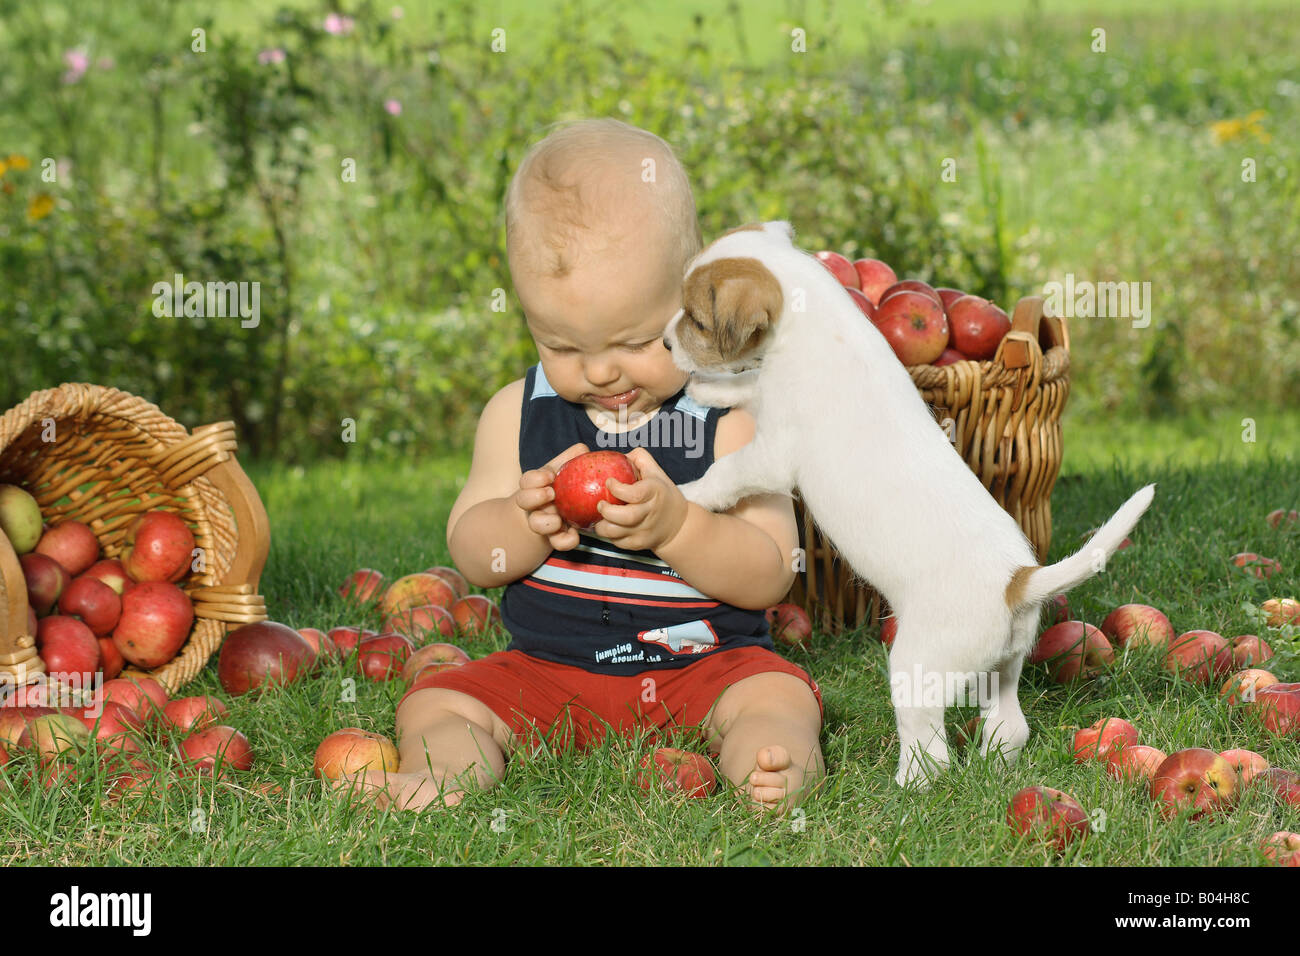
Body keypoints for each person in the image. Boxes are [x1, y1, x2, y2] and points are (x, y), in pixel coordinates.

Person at [343, 118, 823, 813]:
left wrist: (679, 527)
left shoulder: (730, 416)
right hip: (549, 673)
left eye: (633, 340)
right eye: (561, 345)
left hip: (702, 668)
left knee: (775, 696)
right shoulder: (516, 413)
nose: (600, 369)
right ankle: (440, 778)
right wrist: (521, 518)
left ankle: (771, 775)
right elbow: (477, 555)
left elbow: (771, 571)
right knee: (439, 702)